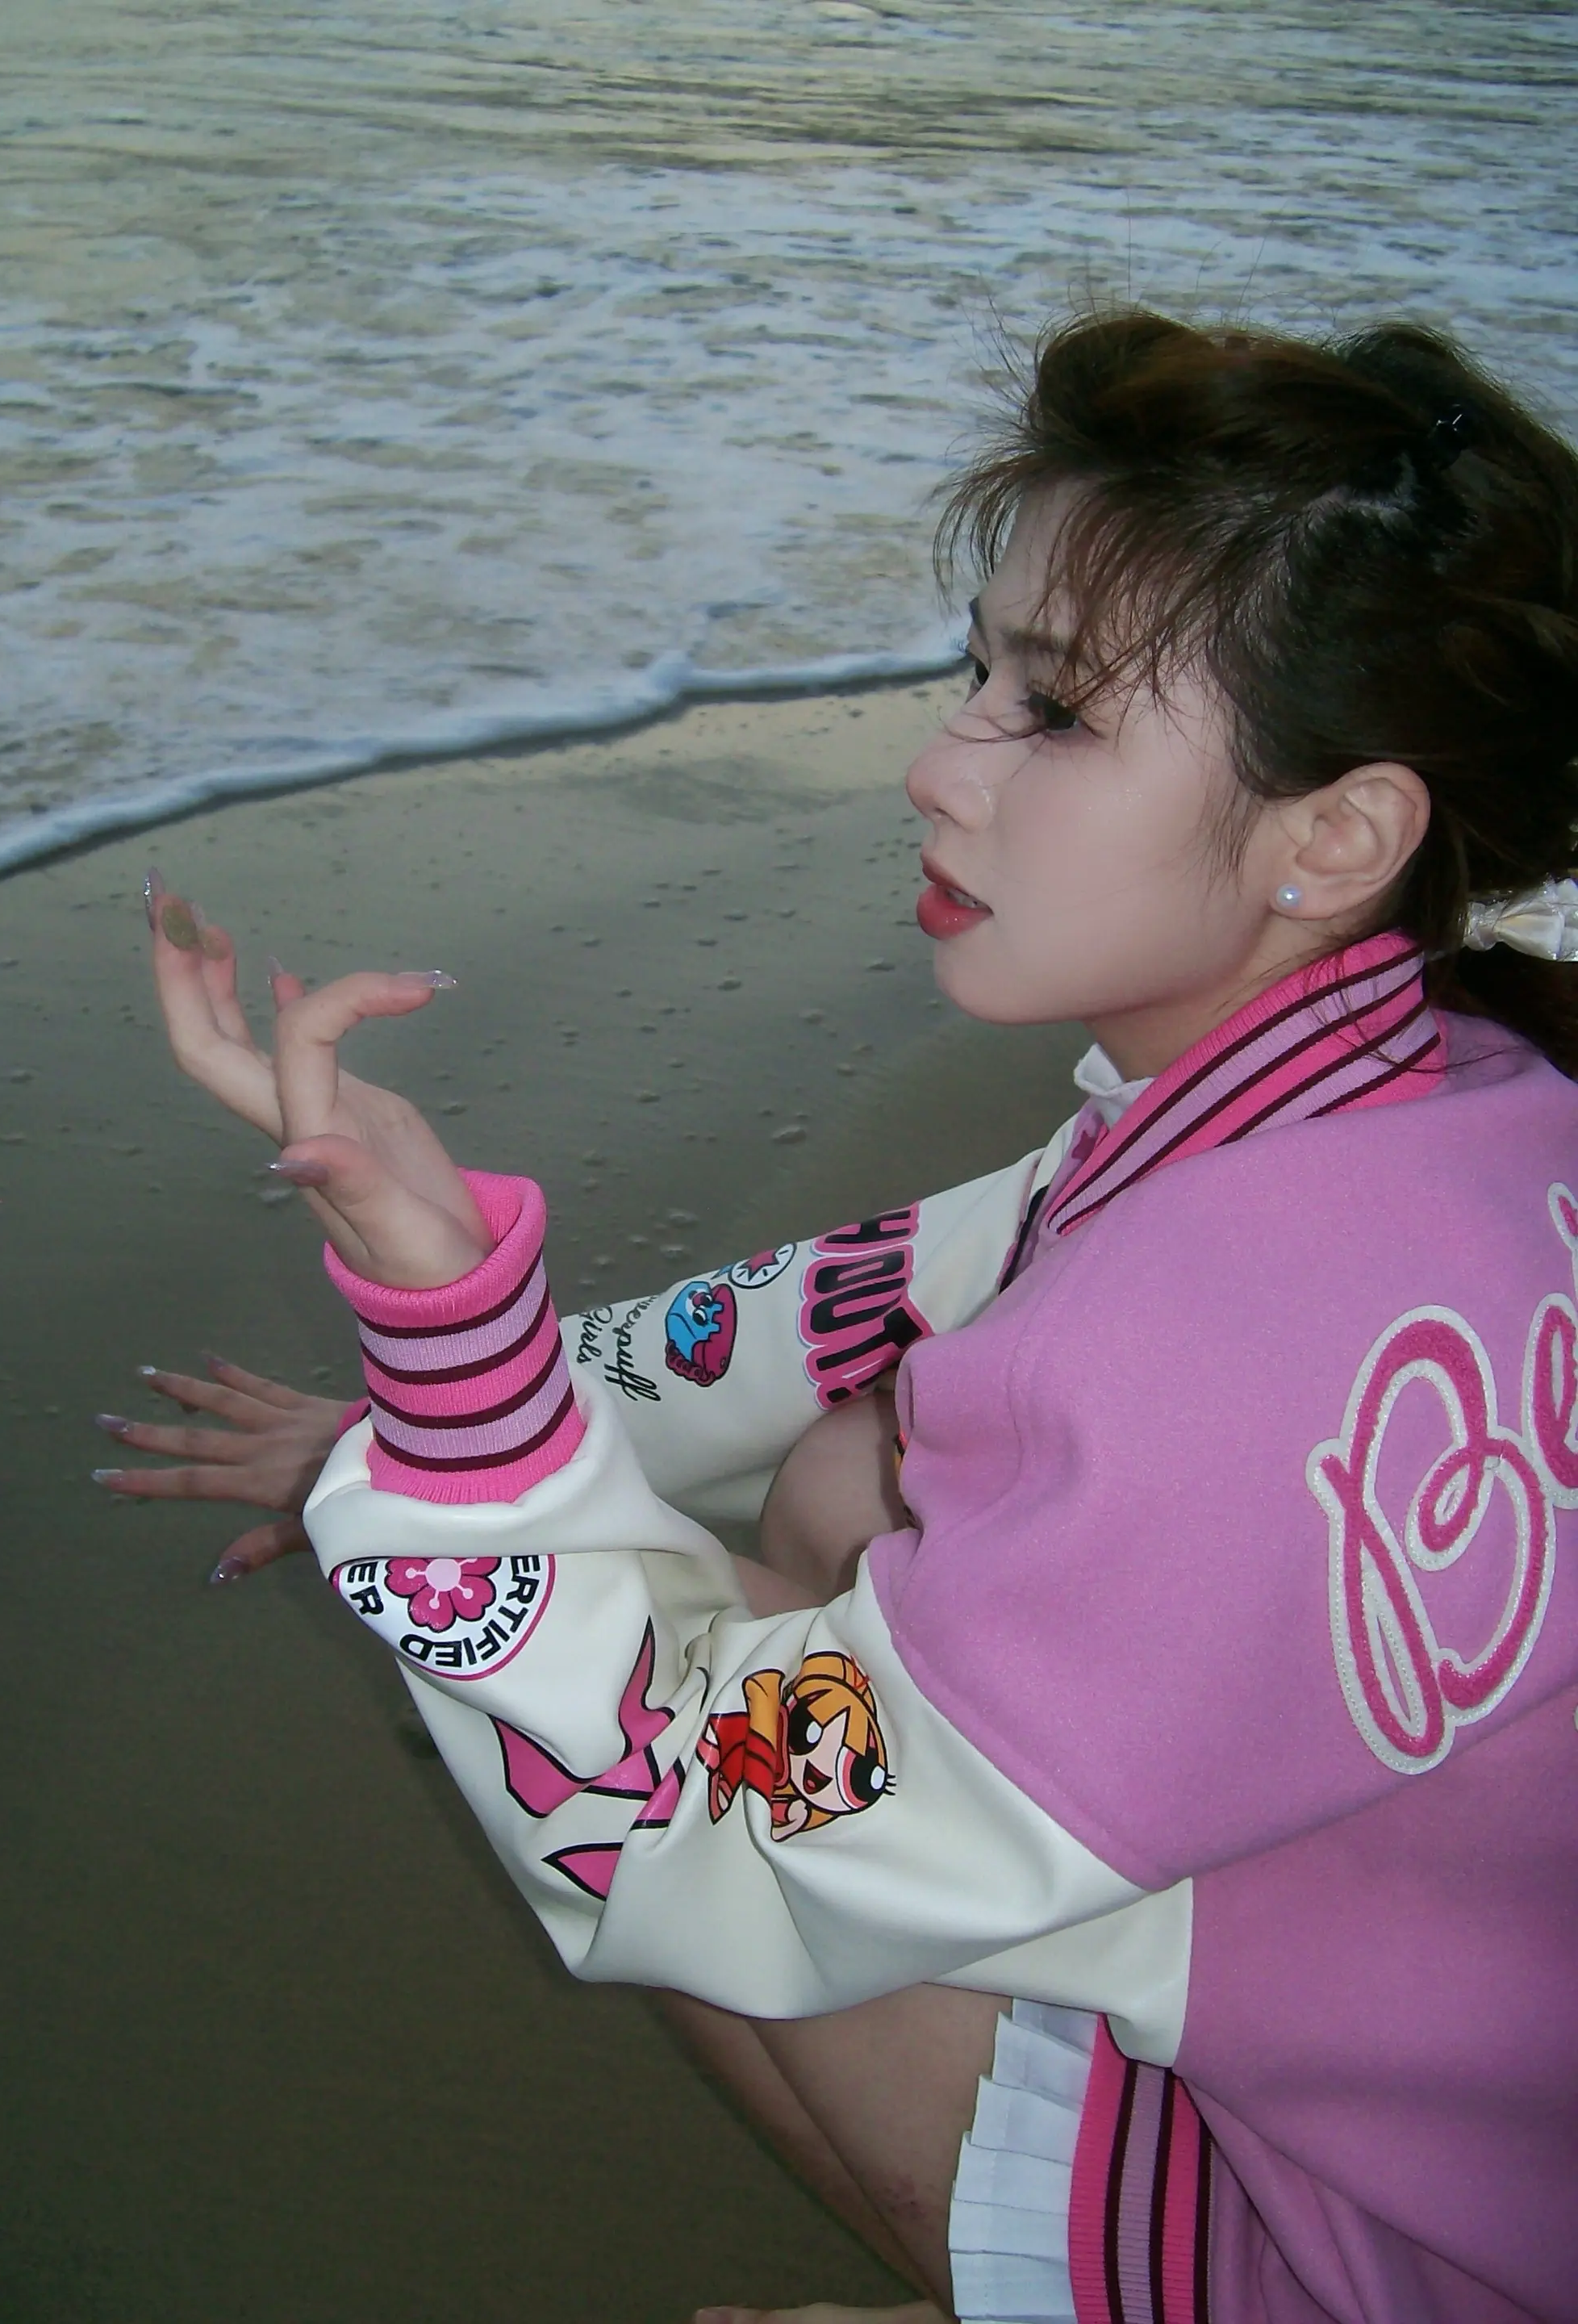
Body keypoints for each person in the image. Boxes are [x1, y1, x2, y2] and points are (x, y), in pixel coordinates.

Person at [101, 310, 1578, 2324]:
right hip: (1478, 2095)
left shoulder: (1232, 1346)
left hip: (1412, 2266)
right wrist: (425, 1426)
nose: (935, 761)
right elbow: (873, 1299)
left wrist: (458, 1398)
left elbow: (708, 1826)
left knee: (654, 1670)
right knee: (847, 1470)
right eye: (979, 672)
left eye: (1056, 711)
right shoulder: (1444, 1105)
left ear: (1337, 836)